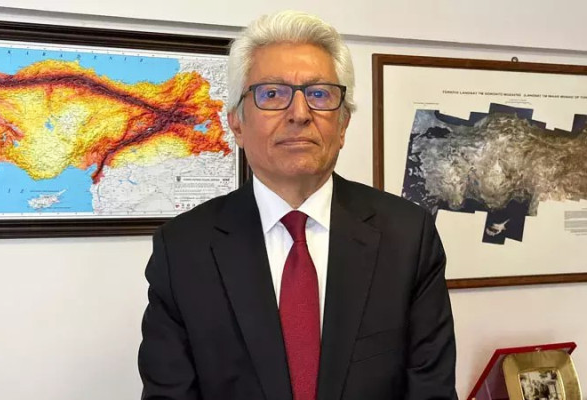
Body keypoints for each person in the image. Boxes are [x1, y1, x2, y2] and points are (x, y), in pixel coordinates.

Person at [138, 10, 457, 400]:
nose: (300, 114)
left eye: (319, 94)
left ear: (343, 124)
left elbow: (431, 390)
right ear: (236, 123)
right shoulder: (183, 249)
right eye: (272, 94)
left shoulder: (407, 236)